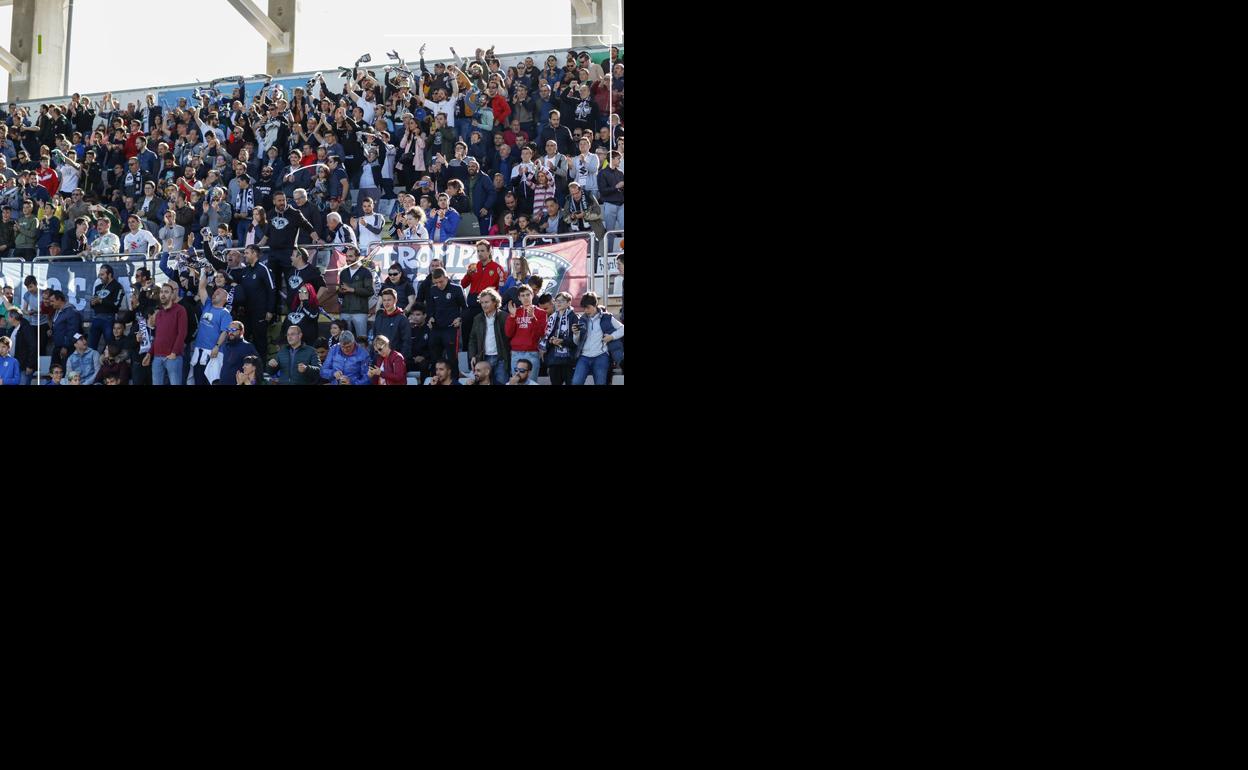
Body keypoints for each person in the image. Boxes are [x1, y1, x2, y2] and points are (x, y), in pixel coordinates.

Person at [228, 244, 275, 361]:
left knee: (260, 341)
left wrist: (270, 310)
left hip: (260, 312)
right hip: (245, 313)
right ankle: (246, 366)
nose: (245, 255)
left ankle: (262, 369)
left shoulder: (263, 269)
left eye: (247, 253)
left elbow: (272, 290)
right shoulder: (245, 270)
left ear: (254, 254)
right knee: (245, 340)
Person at [189, 269, 234, 385]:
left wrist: (217, 346)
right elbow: (202, 288)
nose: (214, 294)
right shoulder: (208, 305)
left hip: (213, 353)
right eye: (214, 293)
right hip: (199, 352)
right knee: (198, 381)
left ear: (225, 298)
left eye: (218, 293)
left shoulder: (225, 313)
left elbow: (225, 332)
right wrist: (204, 272)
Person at [572, 292, 622, 386]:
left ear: (595, 305)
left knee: (600, 383)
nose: (586, 310)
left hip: (601, 356)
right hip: (584, 357)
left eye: (588, 307)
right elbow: (576, 342)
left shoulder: (607, 317)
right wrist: (576, 334)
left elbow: (622, 329)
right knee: (576, 382)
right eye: (584, 308)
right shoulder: (582, 319)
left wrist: (612, 336)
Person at [425, 267, 466, 379]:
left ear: (446, 278)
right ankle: (436, 381)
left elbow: (465, 308)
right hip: (436, 329)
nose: (439, 285)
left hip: (451, 328)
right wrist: (430, 318)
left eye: (441, 281)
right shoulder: (433, 290)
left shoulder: (457, 289)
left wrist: (460, 318)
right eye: (436, 282)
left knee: (452, 358)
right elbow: (430, 308)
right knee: (434, 359)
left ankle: (454, 381)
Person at [467, 287, 510, 385]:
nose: (484, 305)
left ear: (495, 302)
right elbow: (472, 339)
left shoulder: (504, 316)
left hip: (501, 358)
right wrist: (473, 355)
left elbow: (510, 336)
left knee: (501, 382)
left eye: (486, 302)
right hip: (483, 358)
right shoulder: (477, 318)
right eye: (482, 302)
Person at [149, 282, 188, 385]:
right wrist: (150, 353)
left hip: (173, 357)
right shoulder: (159, 314)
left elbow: (182, 333)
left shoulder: (180, 310)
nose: (163, 294)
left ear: (172, 295)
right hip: (157, 357)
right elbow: (157, 336)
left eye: (166, 292)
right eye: (161, 292)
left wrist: (174, 352)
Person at [504, 285, 546, 378]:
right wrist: (512, 316)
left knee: (531, 383)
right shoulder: (515, 312)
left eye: (528, 295)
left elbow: (541, 333)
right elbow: (508, 333)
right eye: (522, 295)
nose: (525, 298)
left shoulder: (541, 313)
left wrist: (532, 318)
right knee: (517, 382)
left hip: (532, 353)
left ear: (532, 296)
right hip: (516, 353)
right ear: (519, 298)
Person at [335, 246, 373, 339]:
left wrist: (352, 290)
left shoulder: (365, 272)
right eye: (347, 256)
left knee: (362, 339)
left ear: (358, 257)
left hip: (360, 312)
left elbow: (369, 291)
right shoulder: (343, 273)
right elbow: (341, 294)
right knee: (344, 339)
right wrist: (339, 291)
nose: (348, 259)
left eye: (350, 256)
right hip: (345, 311)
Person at [543, 291, 578, 386]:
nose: (558, 303)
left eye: (562, 301)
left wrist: (562, 341)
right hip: (554, 360)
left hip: (568, 361)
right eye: (556, 301)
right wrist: (551, 341)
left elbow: (576, 341)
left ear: (569, 303)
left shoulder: (574, 317)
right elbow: (546, 338)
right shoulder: (552, 318)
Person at [87, 263, 125, 350]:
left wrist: (101, 301)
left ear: (109, 274)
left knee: (110, 346)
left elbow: (116, 305)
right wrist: (92, 303)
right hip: (96, 317)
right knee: (91, 346)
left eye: (102, 274)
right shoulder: (98, 287)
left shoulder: (117, 286)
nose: (100, 277)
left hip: (109, 318)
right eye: (99, 274)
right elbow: (93, 304)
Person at [372, 287, 410, 361]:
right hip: (379, 359)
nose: (386, 303)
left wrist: (400, 359)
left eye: (389, 300)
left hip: (395, 360)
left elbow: (406, 343)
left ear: (395, 300)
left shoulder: (402, 319)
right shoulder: (379, 318)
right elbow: (374, 339)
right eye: (384, 300)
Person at [216, 320, 258, 386]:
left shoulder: (247, 347)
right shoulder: (227, 345)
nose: (231, 332)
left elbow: (257, 368)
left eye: (234, 329)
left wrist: (251, 382)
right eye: (229, 329)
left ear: (241, 332)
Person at [49, 290, 82, 369]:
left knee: (64, 372)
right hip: (58, 347)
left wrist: (65, 346)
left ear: (59, 299)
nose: (51, 303)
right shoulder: (58, 311)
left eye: (52, 301)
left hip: (67, 348)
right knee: (54, 372)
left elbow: (73, 331)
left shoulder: (71, 312)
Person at [3, 307, 36, 385]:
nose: (7, 319)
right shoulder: (12, 329)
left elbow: (33, 346)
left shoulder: (26, 328)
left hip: (24, 367)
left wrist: (30, 365)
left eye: (8, 317)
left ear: (13, 318)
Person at [598, 150, 624, 231]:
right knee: (610, 231)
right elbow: (602, 191)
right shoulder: (602, 173)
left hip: (622, 205)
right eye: (618, 158)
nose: (620, 160)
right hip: (609, 205)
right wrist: (616, 187)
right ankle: (609, 244)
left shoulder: (621, 173)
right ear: (612, 159)